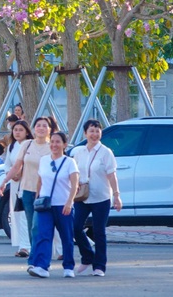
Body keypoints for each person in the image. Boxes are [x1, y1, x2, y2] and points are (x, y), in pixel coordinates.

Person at [0, 116, 54, 268]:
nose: (41, 128)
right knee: (32, 225)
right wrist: (4, 181)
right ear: (34, 128)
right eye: (38, 125)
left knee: (42, 226)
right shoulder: (27, 145)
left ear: (49, 129)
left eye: (44, 126)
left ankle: (43, 259)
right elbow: (16, 165)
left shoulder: (52, 146)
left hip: (46, 193)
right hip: (27, 191)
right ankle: (35, 260)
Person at [72, 119, 123, 277]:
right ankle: (87, 257)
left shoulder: (106, 152)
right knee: (75, 227)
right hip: (82, 196)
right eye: (91, 131)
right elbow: (74, 173)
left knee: (99, 231)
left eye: (97, 130)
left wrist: (116, 195)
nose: (94, 134)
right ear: (85, 133)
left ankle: (99, 266)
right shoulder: (78, 152)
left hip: (101, 197)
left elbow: (112, 175)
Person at [28, 131, 79, 279]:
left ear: (64, 144)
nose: (54, 145)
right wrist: (38, 196)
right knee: (43, 234)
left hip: (63, 204)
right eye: (52, 142)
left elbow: (75, 184)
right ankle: (42, 266)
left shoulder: (70, 162)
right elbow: (40, 180)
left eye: (58, 142)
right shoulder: (44, 160)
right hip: (45, 205)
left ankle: (69, 266)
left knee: (67, 236)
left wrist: (70, 202)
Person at [3, 120, 33, 258]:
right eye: (15, 130)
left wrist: (21, 173)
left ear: (27, 131)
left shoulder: (31, 145)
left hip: (29, 183)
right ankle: (22, 244)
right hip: (15, 185)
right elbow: (7, 165)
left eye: (21, 130)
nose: (17, 132)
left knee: (26, 215)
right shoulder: (11, 146)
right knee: (17, 215)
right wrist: (11, 175)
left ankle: (27, 246)